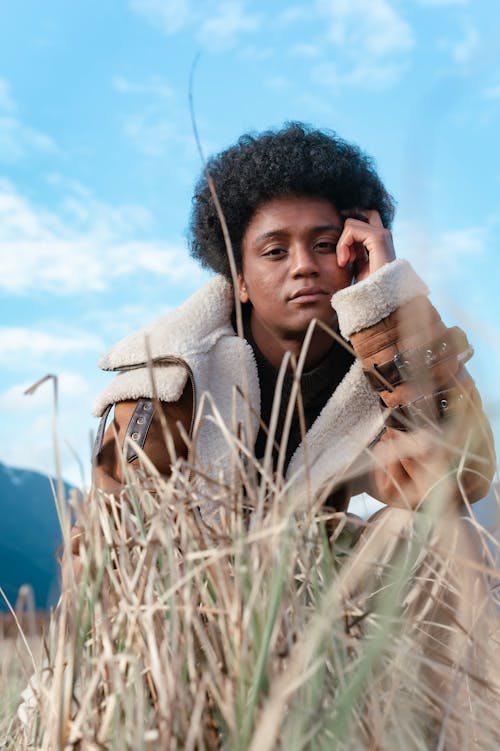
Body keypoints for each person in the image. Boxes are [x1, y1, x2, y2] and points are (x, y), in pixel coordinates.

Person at [89, 123, 494, 515]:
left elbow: (459, 480)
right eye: (275, 252)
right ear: (240, 280)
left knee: (438, 532)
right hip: (195, 572)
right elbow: (113, 538)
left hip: (318, 573)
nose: (304, 266)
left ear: (356, 256)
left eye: (324, 245)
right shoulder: (176, 376)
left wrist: (386, 306)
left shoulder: (371, 369)